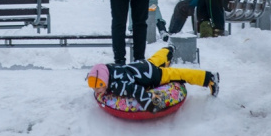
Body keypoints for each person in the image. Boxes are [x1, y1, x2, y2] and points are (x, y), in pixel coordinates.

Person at [87, 45, 219, 112]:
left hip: (150, 76)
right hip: (141, 66)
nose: (96, 91)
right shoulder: (109, 69)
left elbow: (136, 90)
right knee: (154, 60)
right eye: (94, 87)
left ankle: (209, 78)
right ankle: (168, 50)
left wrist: (152, 105)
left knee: (178, 74)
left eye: (99, 87)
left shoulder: (118, 85)